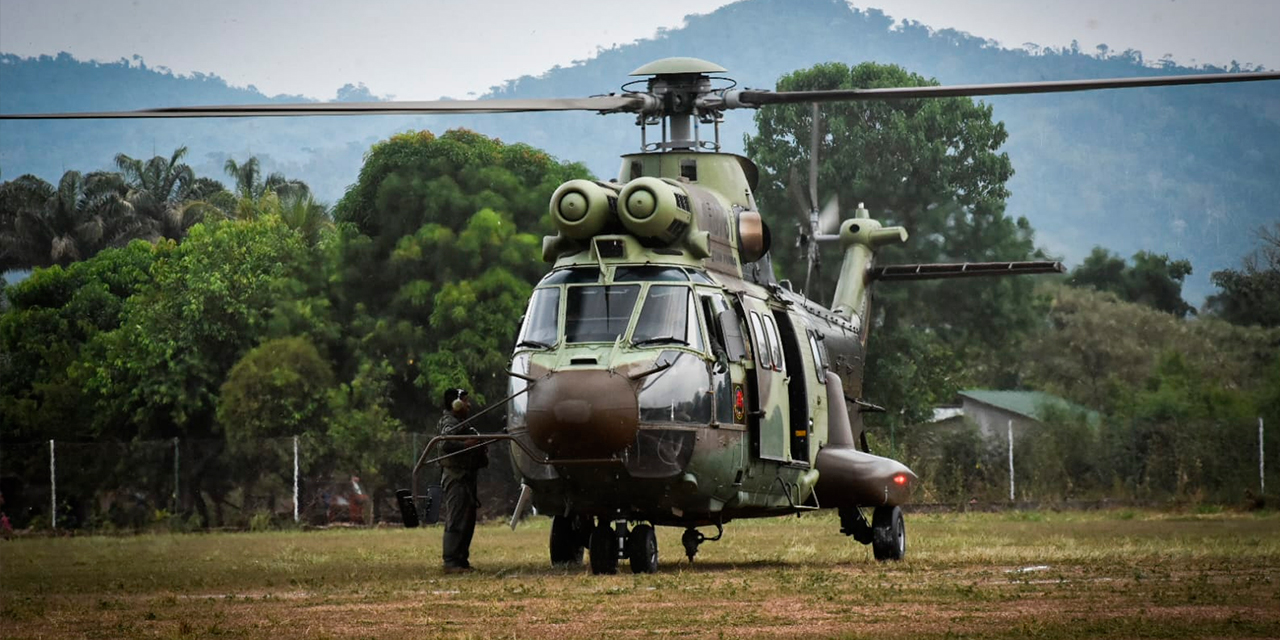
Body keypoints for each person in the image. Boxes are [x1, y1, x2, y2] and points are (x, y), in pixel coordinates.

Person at [438, 387, 486, 573]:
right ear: (456, 404)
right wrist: (467, 444)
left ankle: (461, 561)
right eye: (465, 401)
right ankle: (450, 562)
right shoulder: (448, 422)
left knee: (467, 520)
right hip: (456, 476)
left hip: (467, 477)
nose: (469, 404)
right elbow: (446, 443)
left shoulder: (463, 424)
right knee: (456, 518)